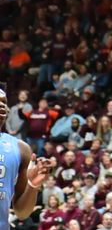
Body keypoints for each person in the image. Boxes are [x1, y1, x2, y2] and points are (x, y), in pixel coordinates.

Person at [0, 88, 56, 226]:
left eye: (4, 102)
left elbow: (22, 212)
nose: (1, 105)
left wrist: (33, 185)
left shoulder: (21, 148)